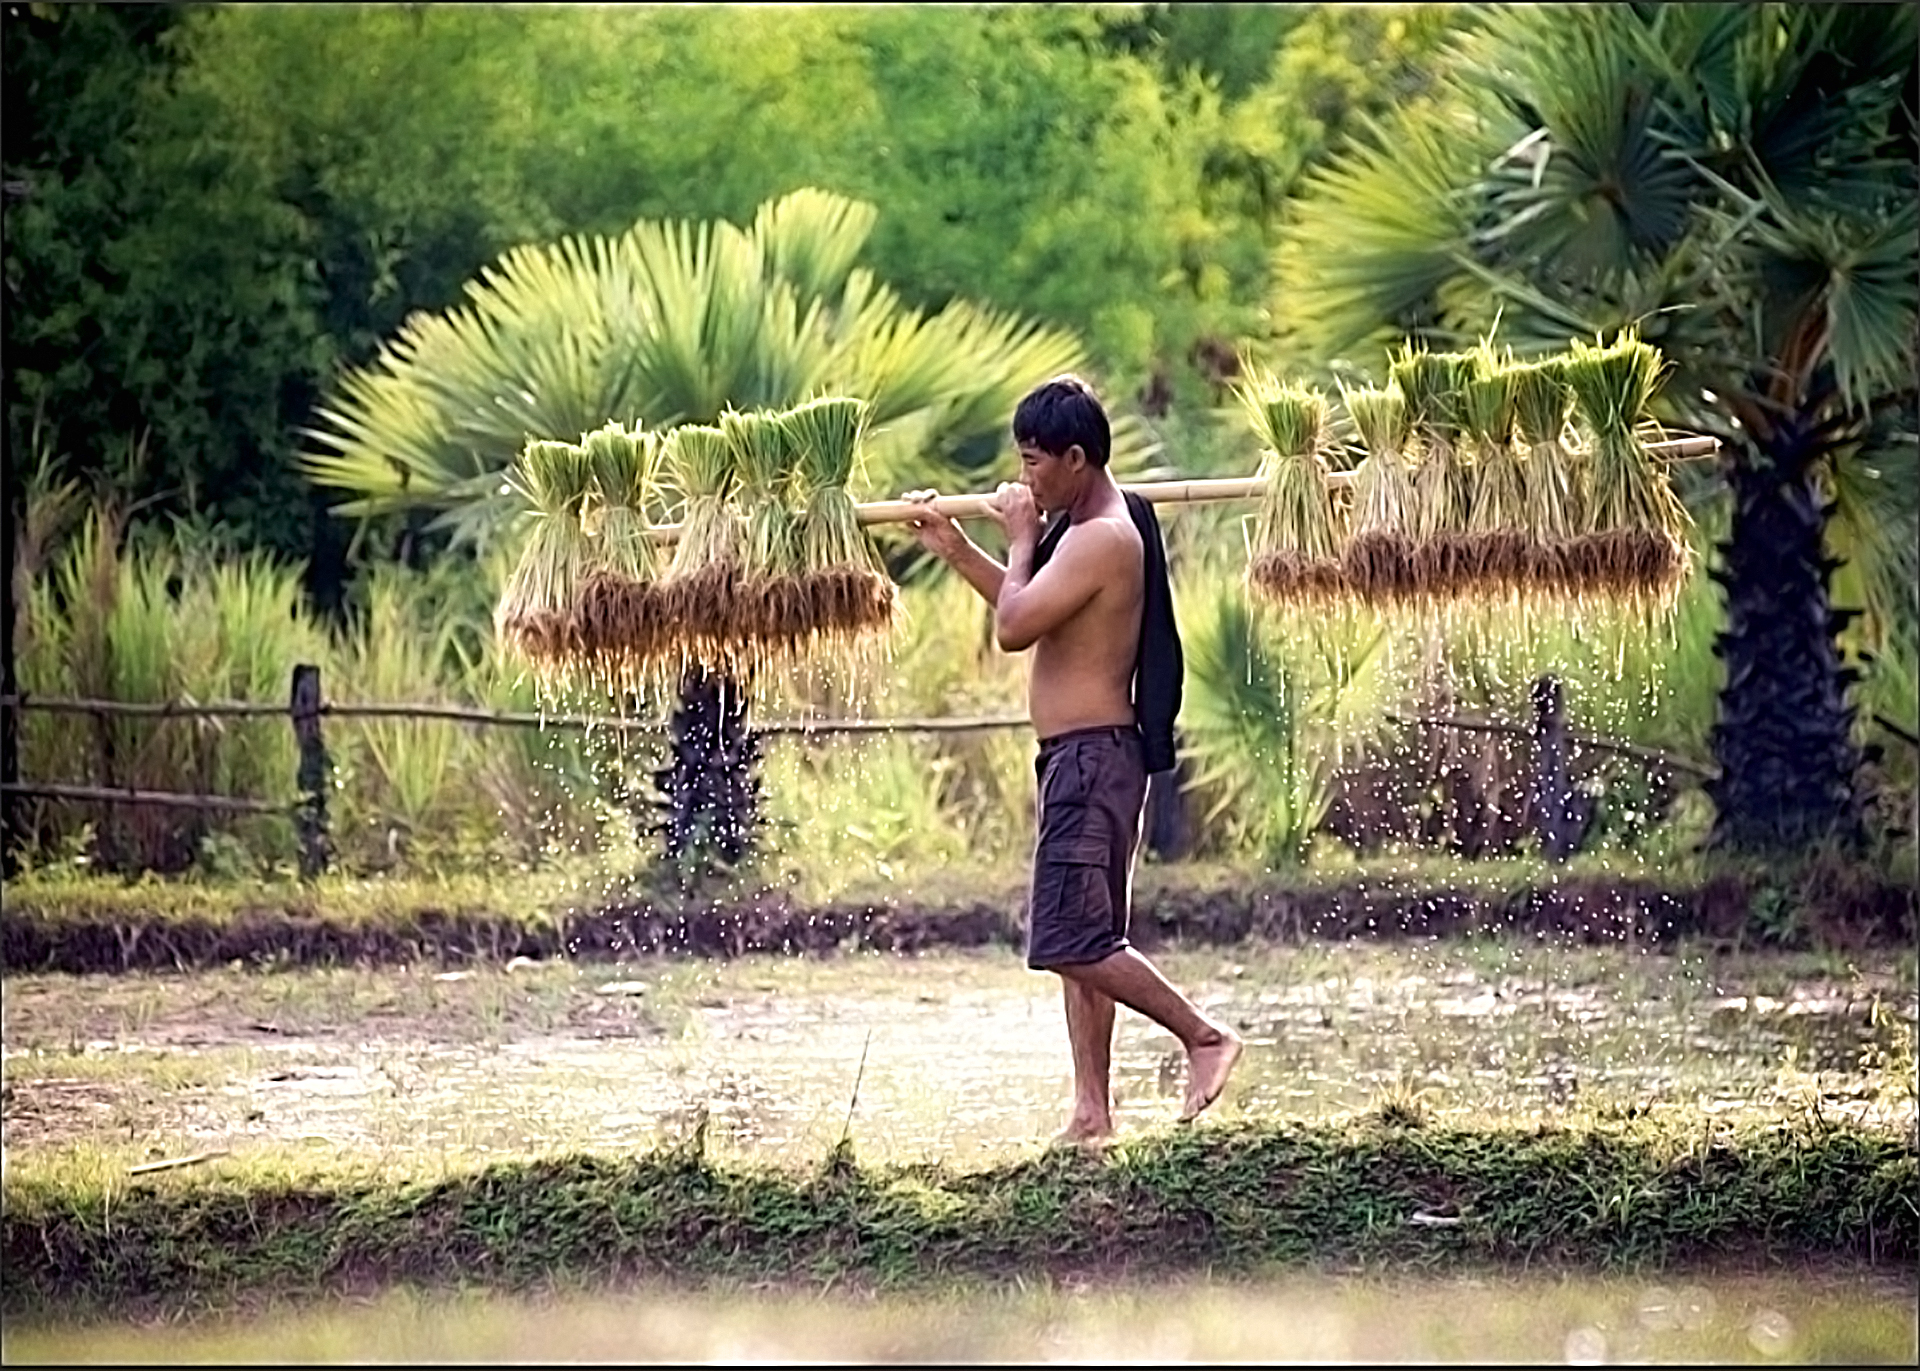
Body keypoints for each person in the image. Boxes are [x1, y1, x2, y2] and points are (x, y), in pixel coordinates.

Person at [904, 374, 1242, 1146]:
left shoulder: (1102, 536)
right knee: (1086, 943)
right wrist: (956, 548)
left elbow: (1015, 625)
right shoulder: (1084, 527)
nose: (1025, 478)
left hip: (1093, 763)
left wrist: (1020, 535)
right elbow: (1032, 607)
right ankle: (1092, 1112)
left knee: (1071, 938)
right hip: (1081, 760)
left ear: (1078, 458)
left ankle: (1203, 1036)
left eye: (1034, 462)